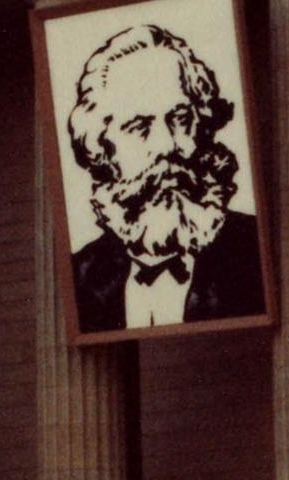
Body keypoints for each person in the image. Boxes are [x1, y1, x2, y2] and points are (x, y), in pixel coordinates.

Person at [64, 21, 266, 332]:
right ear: (102, 149)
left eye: (180, 119)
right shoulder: (82, 277)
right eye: (139, 127)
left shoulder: (253, 255)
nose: (167, 145)